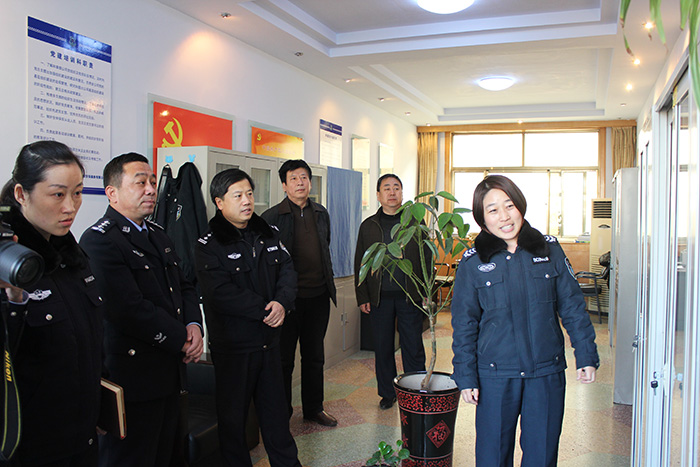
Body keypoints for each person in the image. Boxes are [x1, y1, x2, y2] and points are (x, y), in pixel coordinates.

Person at [450, 175, 599, 466]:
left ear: (520, 206)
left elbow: (572, 306)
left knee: (542, 455)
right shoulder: (473, 262)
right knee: (492, 457)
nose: (504, 216)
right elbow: (464, 324)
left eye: (509, 205)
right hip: (495, 375)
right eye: (493, 210)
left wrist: (586, 354)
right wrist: (465, 376)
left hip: (545, 371)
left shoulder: (549, 250)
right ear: (482, 218)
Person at [79, 153, 203, 467]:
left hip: (170, 374)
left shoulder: (158, 234)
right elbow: (128, 309)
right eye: (140, 183)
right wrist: (182, 339)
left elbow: (185, 285)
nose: (150, 189)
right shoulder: (99, 241)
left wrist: (194, 325)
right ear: (112, 192)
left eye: (152, 182)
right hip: (133, 379)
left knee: (167, 456)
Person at [0, 141, 103, 466]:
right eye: (58, 194)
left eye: (77, 193)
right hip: (30, 446)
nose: (71, 207)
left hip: (82, 435)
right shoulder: (8, 265)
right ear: (21, 194)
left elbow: (89, 338)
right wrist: (13, 300)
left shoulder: (71, 256)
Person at [195, 169, 301, 467]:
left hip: (269, 343)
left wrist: (281, 302)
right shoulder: (208, 244)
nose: (247, 201)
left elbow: (288, 271)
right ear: (219, 202)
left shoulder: (268, 233)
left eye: (250, 194)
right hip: (234, 348)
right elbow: (220, 293)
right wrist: (266, 309)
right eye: (238, 195)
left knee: (276, 417)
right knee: (233, 421)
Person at [261, 159, 337, 427]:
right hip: (287, 301)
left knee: (314, 356)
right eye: (293, 178)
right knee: (283, 359)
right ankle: (281, 412)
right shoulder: (271, 217)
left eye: (304, 177)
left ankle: (314, 408)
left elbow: (325, 247)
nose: (300, 183)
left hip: (318, 296)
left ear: (310, 183)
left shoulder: (321, 213)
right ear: (284, 185)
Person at [353, 174, 427, 409]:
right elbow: (361, 262)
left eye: (396, 187)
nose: (392, 192)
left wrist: (426, 291)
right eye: (387, 188)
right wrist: (362, 296)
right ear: (378, 195)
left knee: (413, 346)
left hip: (409, 296)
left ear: (402, 193)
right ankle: (387, 393)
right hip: (379, 297)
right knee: (383, 347)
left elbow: (426, 259)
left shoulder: (415, 223)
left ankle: (416, 391)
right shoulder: (368, 226)